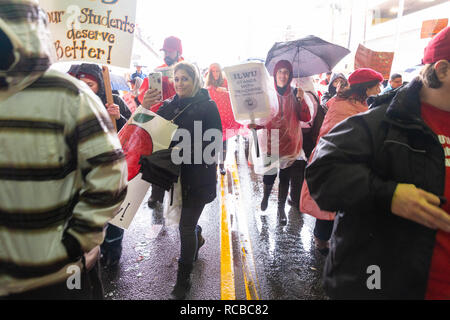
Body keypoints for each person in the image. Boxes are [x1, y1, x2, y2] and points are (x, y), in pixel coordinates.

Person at [305, 27, 450, 299]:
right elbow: (323, 171)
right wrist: (389, 194)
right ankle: (319, 238)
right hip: (386, 284)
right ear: (442, 70)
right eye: (375, 84)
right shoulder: (379, 122)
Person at [0, 1, 127, 299]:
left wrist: (73, 243)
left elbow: (110, 174)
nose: (87, 84)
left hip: (56, 278)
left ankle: (113, 254)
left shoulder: (69, 96)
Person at [142, 61, 222, 300]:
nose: (179, 84)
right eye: (176, 79)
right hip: (174, 176)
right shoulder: (169, 106)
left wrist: (183, 147)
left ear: (195, 80)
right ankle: (197, 236)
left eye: (184, 79)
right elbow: (148, 130)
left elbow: (215, 142)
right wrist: (144, 105)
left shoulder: (208, 106)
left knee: (184, 227)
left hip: (197, 176)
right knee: (186, 223)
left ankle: (183, 279)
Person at [300, 68, 383, 255]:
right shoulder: (342, 107)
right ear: (365, 87)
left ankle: (334, 239)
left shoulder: (361, 104)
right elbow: (329, 135)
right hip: (333, 163)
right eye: (376, 85)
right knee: (328, 207)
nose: (379, 88)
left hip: (351, 164)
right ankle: (320, 241)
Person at [74, 63, 132, 268]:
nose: (86, 88)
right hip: (85, 168)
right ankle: (95, 250)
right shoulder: (73, 103)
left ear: (99, 83)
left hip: (112, 166)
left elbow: (132, 131)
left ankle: (113, 251)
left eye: (90, 84)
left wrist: (119, 117)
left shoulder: (113, 100)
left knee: (114, 212)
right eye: (81, 84)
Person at [254, 60, 311, 225]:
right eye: (280, 72)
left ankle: (280, 208)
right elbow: (263, 117)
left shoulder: (296, 93)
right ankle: (265, 196)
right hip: (271, 140)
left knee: (285, 176)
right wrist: (255, 124)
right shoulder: (269, 94)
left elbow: (305, 118)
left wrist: (301, 101)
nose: (283, 75)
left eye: (286, 72)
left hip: (290, 142)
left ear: (290, 75)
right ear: (275, 74)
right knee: (270, 173)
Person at [143, 36, 184, 209]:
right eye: (165, 51)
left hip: (182, 119)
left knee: (180, 159)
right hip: (160, 119)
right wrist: (147, 96)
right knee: (158, 157)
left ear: (178, 51)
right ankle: (156, 195)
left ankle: (178, 197)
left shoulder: (186, 70)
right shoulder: (157, 71)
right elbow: (144, 95)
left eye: (170, 51)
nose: (167, 54)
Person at [205, 63, 242, 175]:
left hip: (225, 118)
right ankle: (214, 165)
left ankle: (221, 165)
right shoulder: (208, 83)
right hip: (213, 117)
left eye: (217, 71)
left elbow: (235, 94)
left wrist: (225, 91)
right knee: (213, 143)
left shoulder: (226, 81)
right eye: (213, 71)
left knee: (224, 143)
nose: (215, 73)